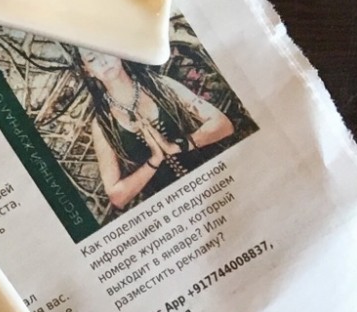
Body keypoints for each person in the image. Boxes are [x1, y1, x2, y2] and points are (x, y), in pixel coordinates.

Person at [74, 48, 236, 213]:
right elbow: (117, 196)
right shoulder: (103, 124)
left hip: (215, 182)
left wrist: (177, 147)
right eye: (92, 59)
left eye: (106, 52)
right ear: (87, 70)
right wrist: (155, 160)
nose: (103, 62)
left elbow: (224, 125)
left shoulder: (161, 86)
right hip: (175, 209)